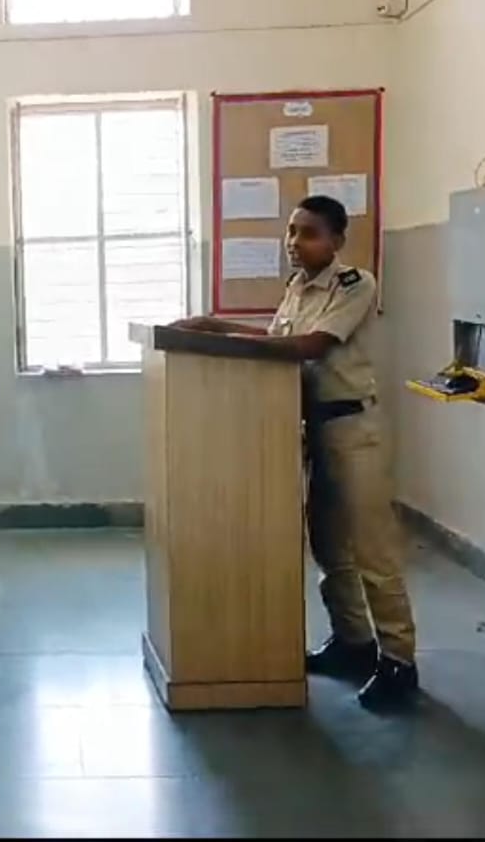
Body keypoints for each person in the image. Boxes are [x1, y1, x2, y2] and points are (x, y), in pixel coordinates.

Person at [171, 194, 418, 710]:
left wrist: (226, 339)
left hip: (354, 429)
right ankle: (353, 643)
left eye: (307, 233)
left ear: (336, 241)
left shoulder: (356, 285)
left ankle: (399, 661)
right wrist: (217, 326)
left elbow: (311, 346)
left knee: (372, 551)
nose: (294, 243)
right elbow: (279, 338)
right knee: (328, 546)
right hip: (313, 429)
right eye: (290, 231)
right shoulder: (298, 288)